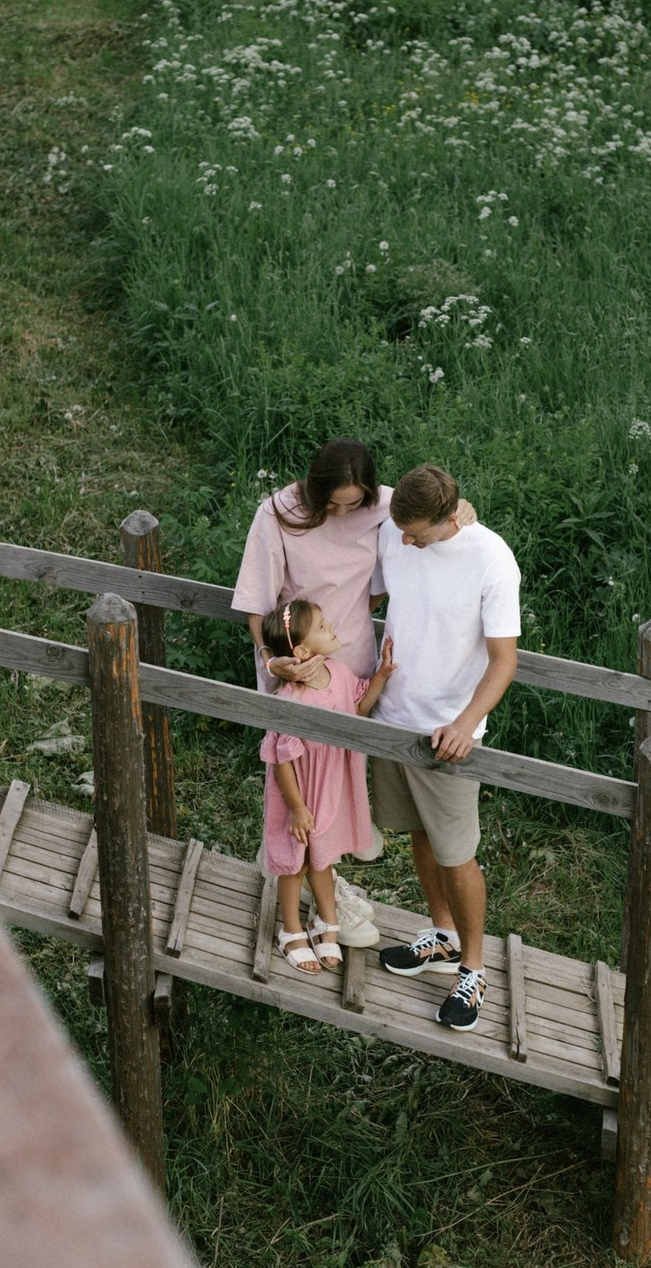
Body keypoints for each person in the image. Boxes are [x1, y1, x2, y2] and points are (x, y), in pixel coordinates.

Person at [232, 438, 474, 940]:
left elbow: (429, 523)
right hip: (294, 672)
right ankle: (296, 872)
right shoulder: (277, 514)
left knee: (337, 780)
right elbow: (257, 608)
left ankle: (324, 879)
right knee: (294, 775)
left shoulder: (384, 506)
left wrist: (463, 511)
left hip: (352, 673)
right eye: (331, 503)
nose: (342, 512)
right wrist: (273, 660)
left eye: (352, 504)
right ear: (313, 488)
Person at [370, 465, 520, 1032]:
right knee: (418, 835)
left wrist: (466, 722)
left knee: (457, 854)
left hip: (448, 734)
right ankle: (442, 935)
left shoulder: (491, 559)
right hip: (393, 720)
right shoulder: (397, 523)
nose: (405, 542)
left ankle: (474, 968)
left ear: (451, 518)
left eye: (418, 535)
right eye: (401, 531)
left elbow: (504, 660)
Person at [258, 599, 396, 976]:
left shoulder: (339, 671)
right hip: (299, 792)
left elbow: (359, 708)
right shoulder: (291, 697)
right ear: (301, 651)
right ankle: (290, 929)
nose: (332, 627)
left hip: (331, 783)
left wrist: (381, 676)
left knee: (323, 856)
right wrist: (298, 808)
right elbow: (282, 760)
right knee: (295, 861)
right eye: (322, 626)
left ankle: (326, 924)